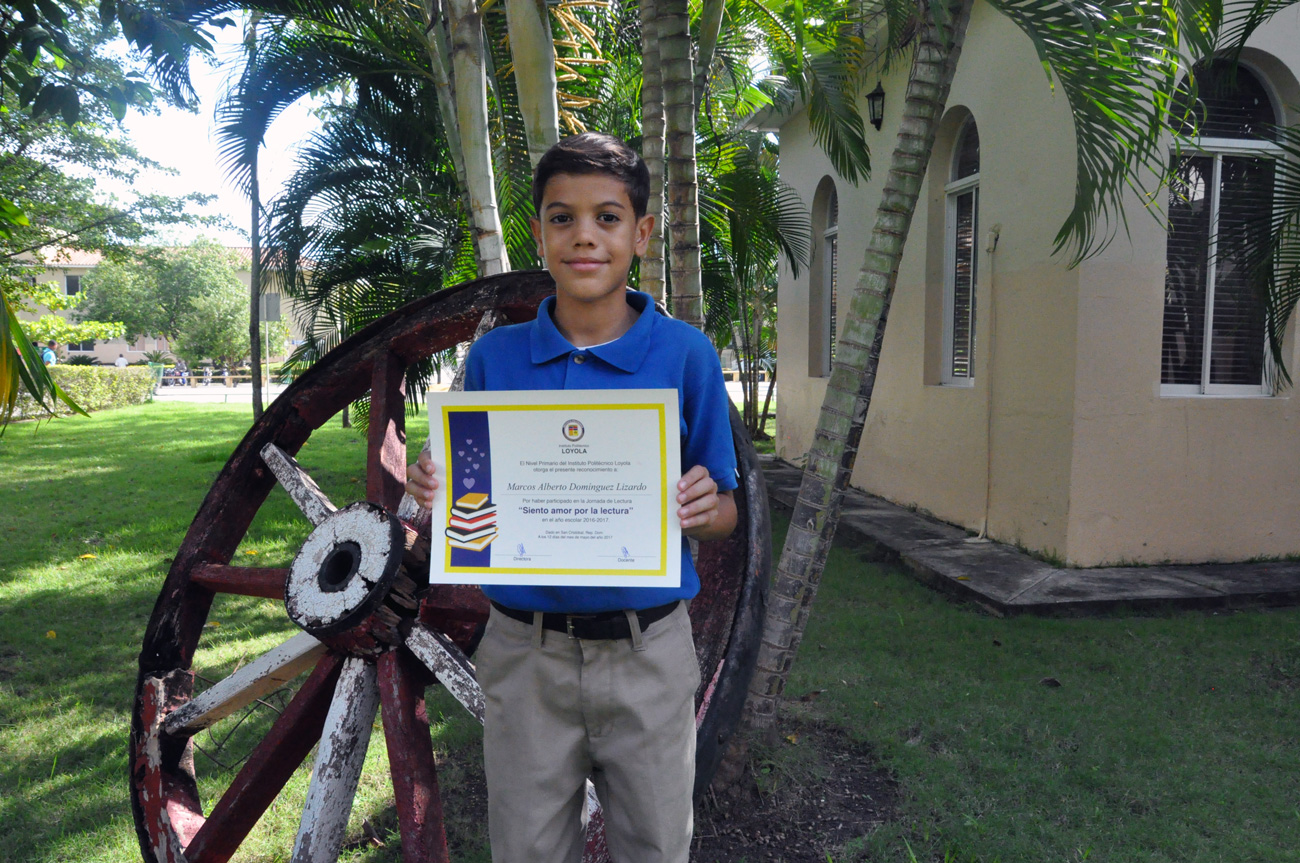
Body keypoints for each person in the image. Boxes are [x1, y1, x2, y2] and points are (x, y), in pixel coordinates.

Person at [406, 132, 738, 863]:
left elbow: (725, 510)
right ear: (539, 233)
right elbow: (472, 496)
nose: (584, 235)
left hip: (648, 650)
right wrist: (432, 487)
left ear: (641, 233)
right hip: (525, 652)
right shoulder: (496, 358)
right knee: (525, 849)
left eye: (607, 217)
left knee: (655, 846)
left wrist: (701, 506)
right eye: (562, 217)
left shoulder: (687, 356)